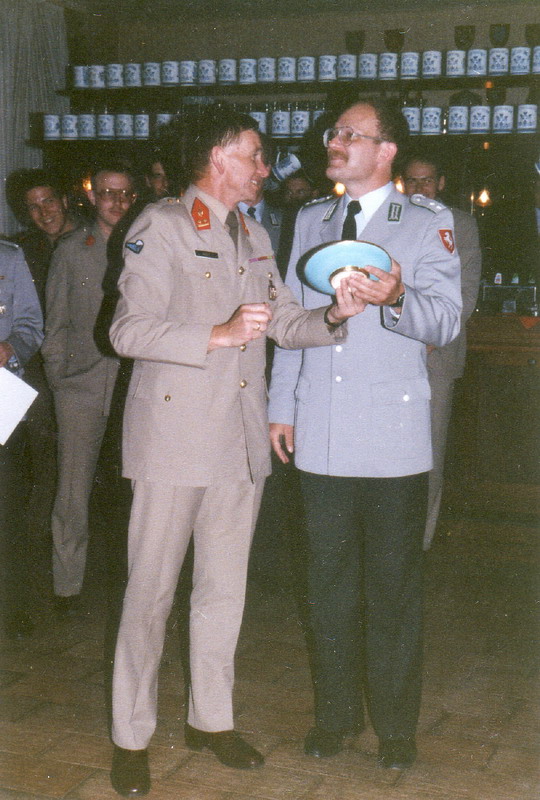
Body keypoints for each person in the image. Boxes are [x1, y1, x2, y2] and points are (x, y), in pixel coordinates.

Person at [107, 105, 367, 797]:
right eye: (254, 155)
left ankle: (211, 719)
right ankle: (131, 736)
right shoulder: (161, 225)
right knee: (150, 593)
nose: (263, 168)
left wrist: (334, 314)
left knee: (224, 591)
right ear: (218, 157)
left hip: (239, 442)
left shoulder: (253, 232)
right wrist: (216, 335)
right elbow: (127, 330)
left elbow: (282, 319)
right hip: (172, 441)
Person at [268, 98, 462, 770]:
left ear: (386, 151)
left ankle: (396, 728)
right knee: (327, 587)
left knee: (393, 590)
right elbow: (293, 319)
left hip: (390, 437)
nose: (337, 141)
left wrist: (398, 298)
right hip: (320, 428)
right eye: (335, 131)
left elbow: (446, 321)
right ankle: (336, 717)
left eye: (353, 133)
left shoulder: (428, 223)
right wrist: (282, 405)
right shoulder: (310, 219)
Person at [41, 164, 137, 617]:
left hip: (134, 385)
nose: (117, 202)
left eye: (125, 194)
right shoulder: (71, 250)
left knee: (136, 488)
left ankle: (136, 581)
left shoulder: (149, 243)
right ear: (92, 197)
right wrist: (59, 379)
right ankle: (68, 586)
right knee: (73, 490)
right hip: (80, 386)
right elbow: (55, 323)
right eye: (107, 193)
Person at [402, 153, 482, 549]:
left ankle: (421, 541)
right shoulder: (394, 219)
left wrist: (432, 332)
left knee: (430, 449)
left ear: (441, 183)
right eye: (412, 181)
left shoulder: (461, 224)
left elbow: (466, 292)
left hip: (437, 354)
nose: (420, 189)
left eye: (427, 180)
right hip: (394, 352)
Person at [5, 171, 79, 570]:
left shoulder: (90, 239)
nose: (43, 212)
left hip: (80, 367)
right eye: (33, 206)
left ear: (64, 200)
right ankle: (33, 548)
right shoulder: (24, 249)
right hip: (34, 371)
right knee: (40, 456)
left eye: (48, 201)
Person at [0, 240, 43, 638]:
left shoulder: (9, 258)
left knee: (8, 510)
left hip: (2, 401)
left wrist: (10, 347)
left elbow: (31, 325)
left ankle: (11, 609)